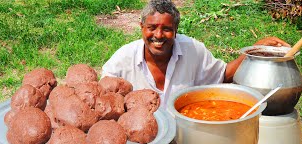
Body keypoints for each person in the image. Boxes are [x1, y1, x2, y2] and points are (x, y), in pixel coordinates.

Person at [101, 0, 290, 108]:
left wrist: (252, 52)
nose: (158, 35)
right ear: (141, 28)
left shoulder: (193, 50)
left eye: (166, 29)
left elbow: (223, 75)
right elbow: (102, 99)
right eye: (151, 28)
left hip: (183, 137)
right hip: (139, 142)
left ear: (176, 30)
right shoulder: (122, 60)